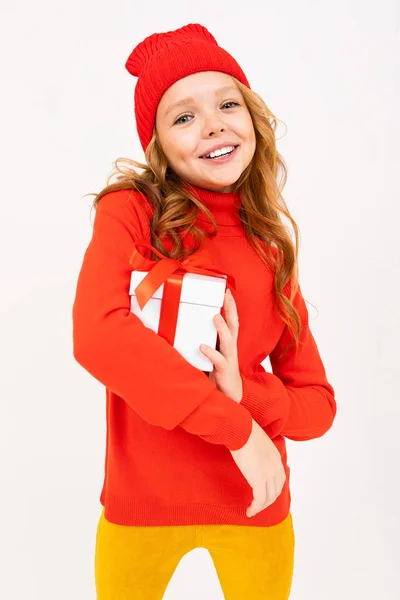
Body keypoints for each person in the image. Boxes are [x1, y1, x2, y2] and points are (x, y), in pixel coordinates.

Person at [72, 22, 337, 600]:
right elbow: (98, 336)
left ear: (252, 118)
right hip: (140, 504)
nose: (214, 123)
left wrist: (247, 393)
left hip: (256, 502)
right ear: (158, 145)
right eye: (183, 116)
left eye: (227, 103)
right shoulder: (130, 214)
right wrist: (238, 428)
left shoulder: (270, 246)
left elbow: (317, 409)